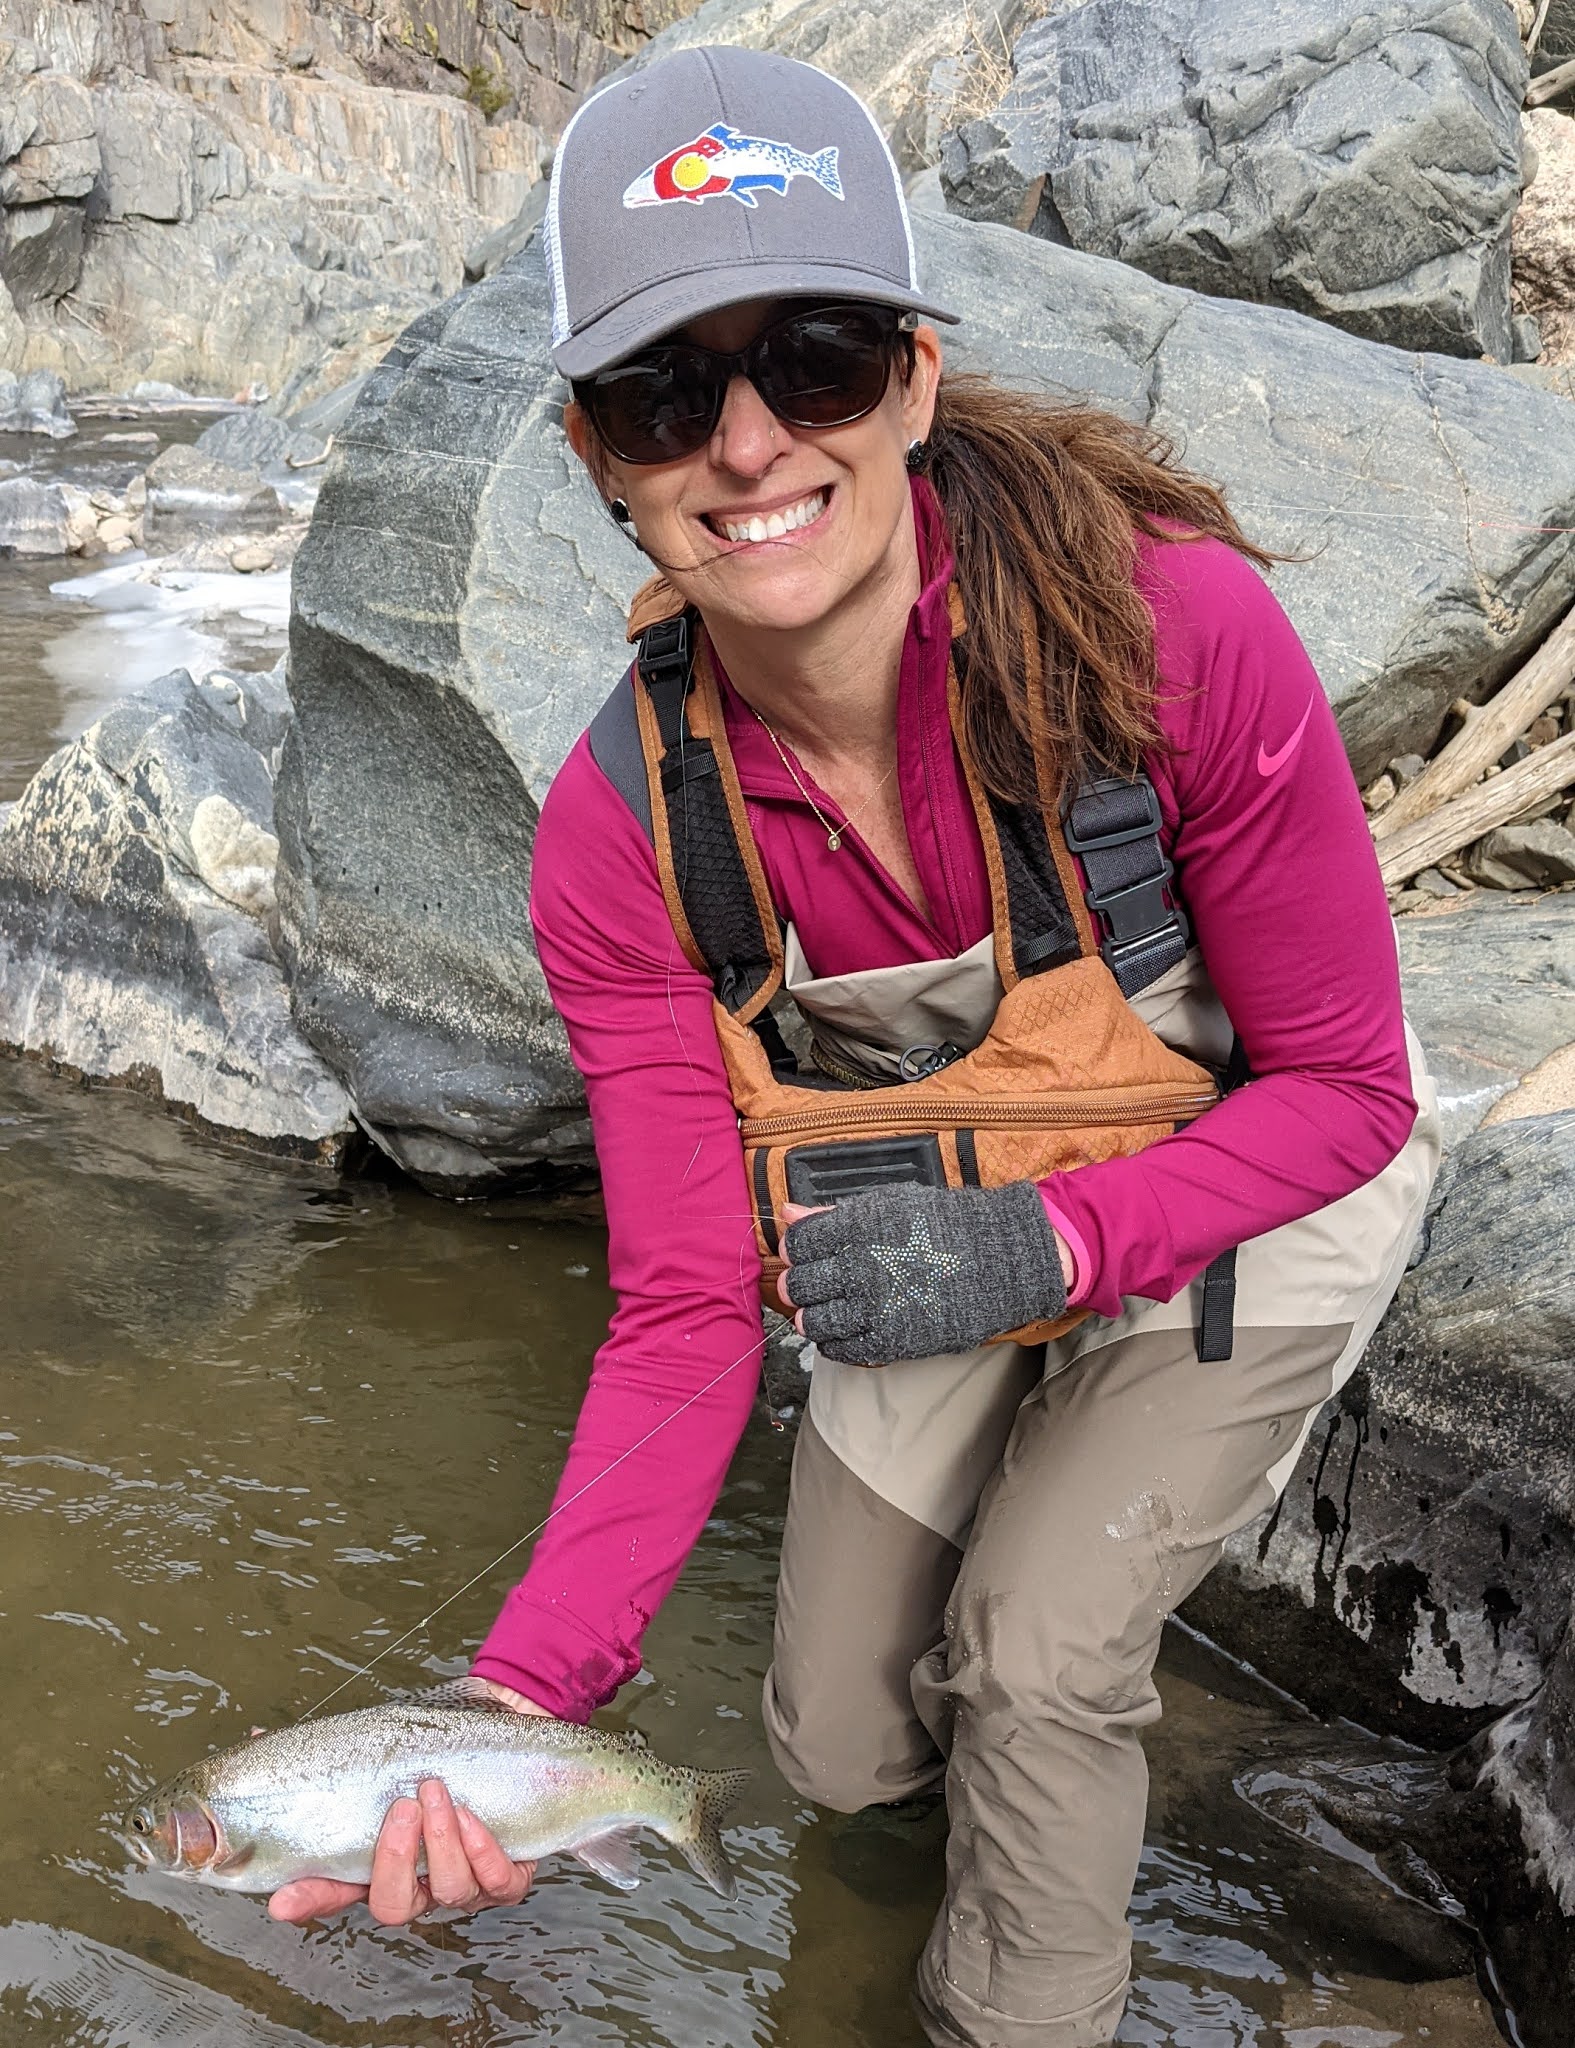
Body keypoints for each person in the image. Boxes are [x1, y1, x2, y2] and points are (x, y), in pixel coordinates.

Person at [270, 45, 1441, 2048]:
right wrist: (510, 1709)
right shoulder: (620, 832)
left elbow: (1347, 1092)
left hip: (1254, 1179)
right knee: (829, 1730)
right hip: (946, 1217)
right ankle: (935, 1890)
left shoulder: (1176, 637)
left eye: (811, 360)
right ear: (596, 454)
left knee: (1032, 1657)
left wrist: (1052, 1249)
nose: (745, 446)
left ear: (911, 381)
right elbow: (682, 1307)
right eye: (665, 394)